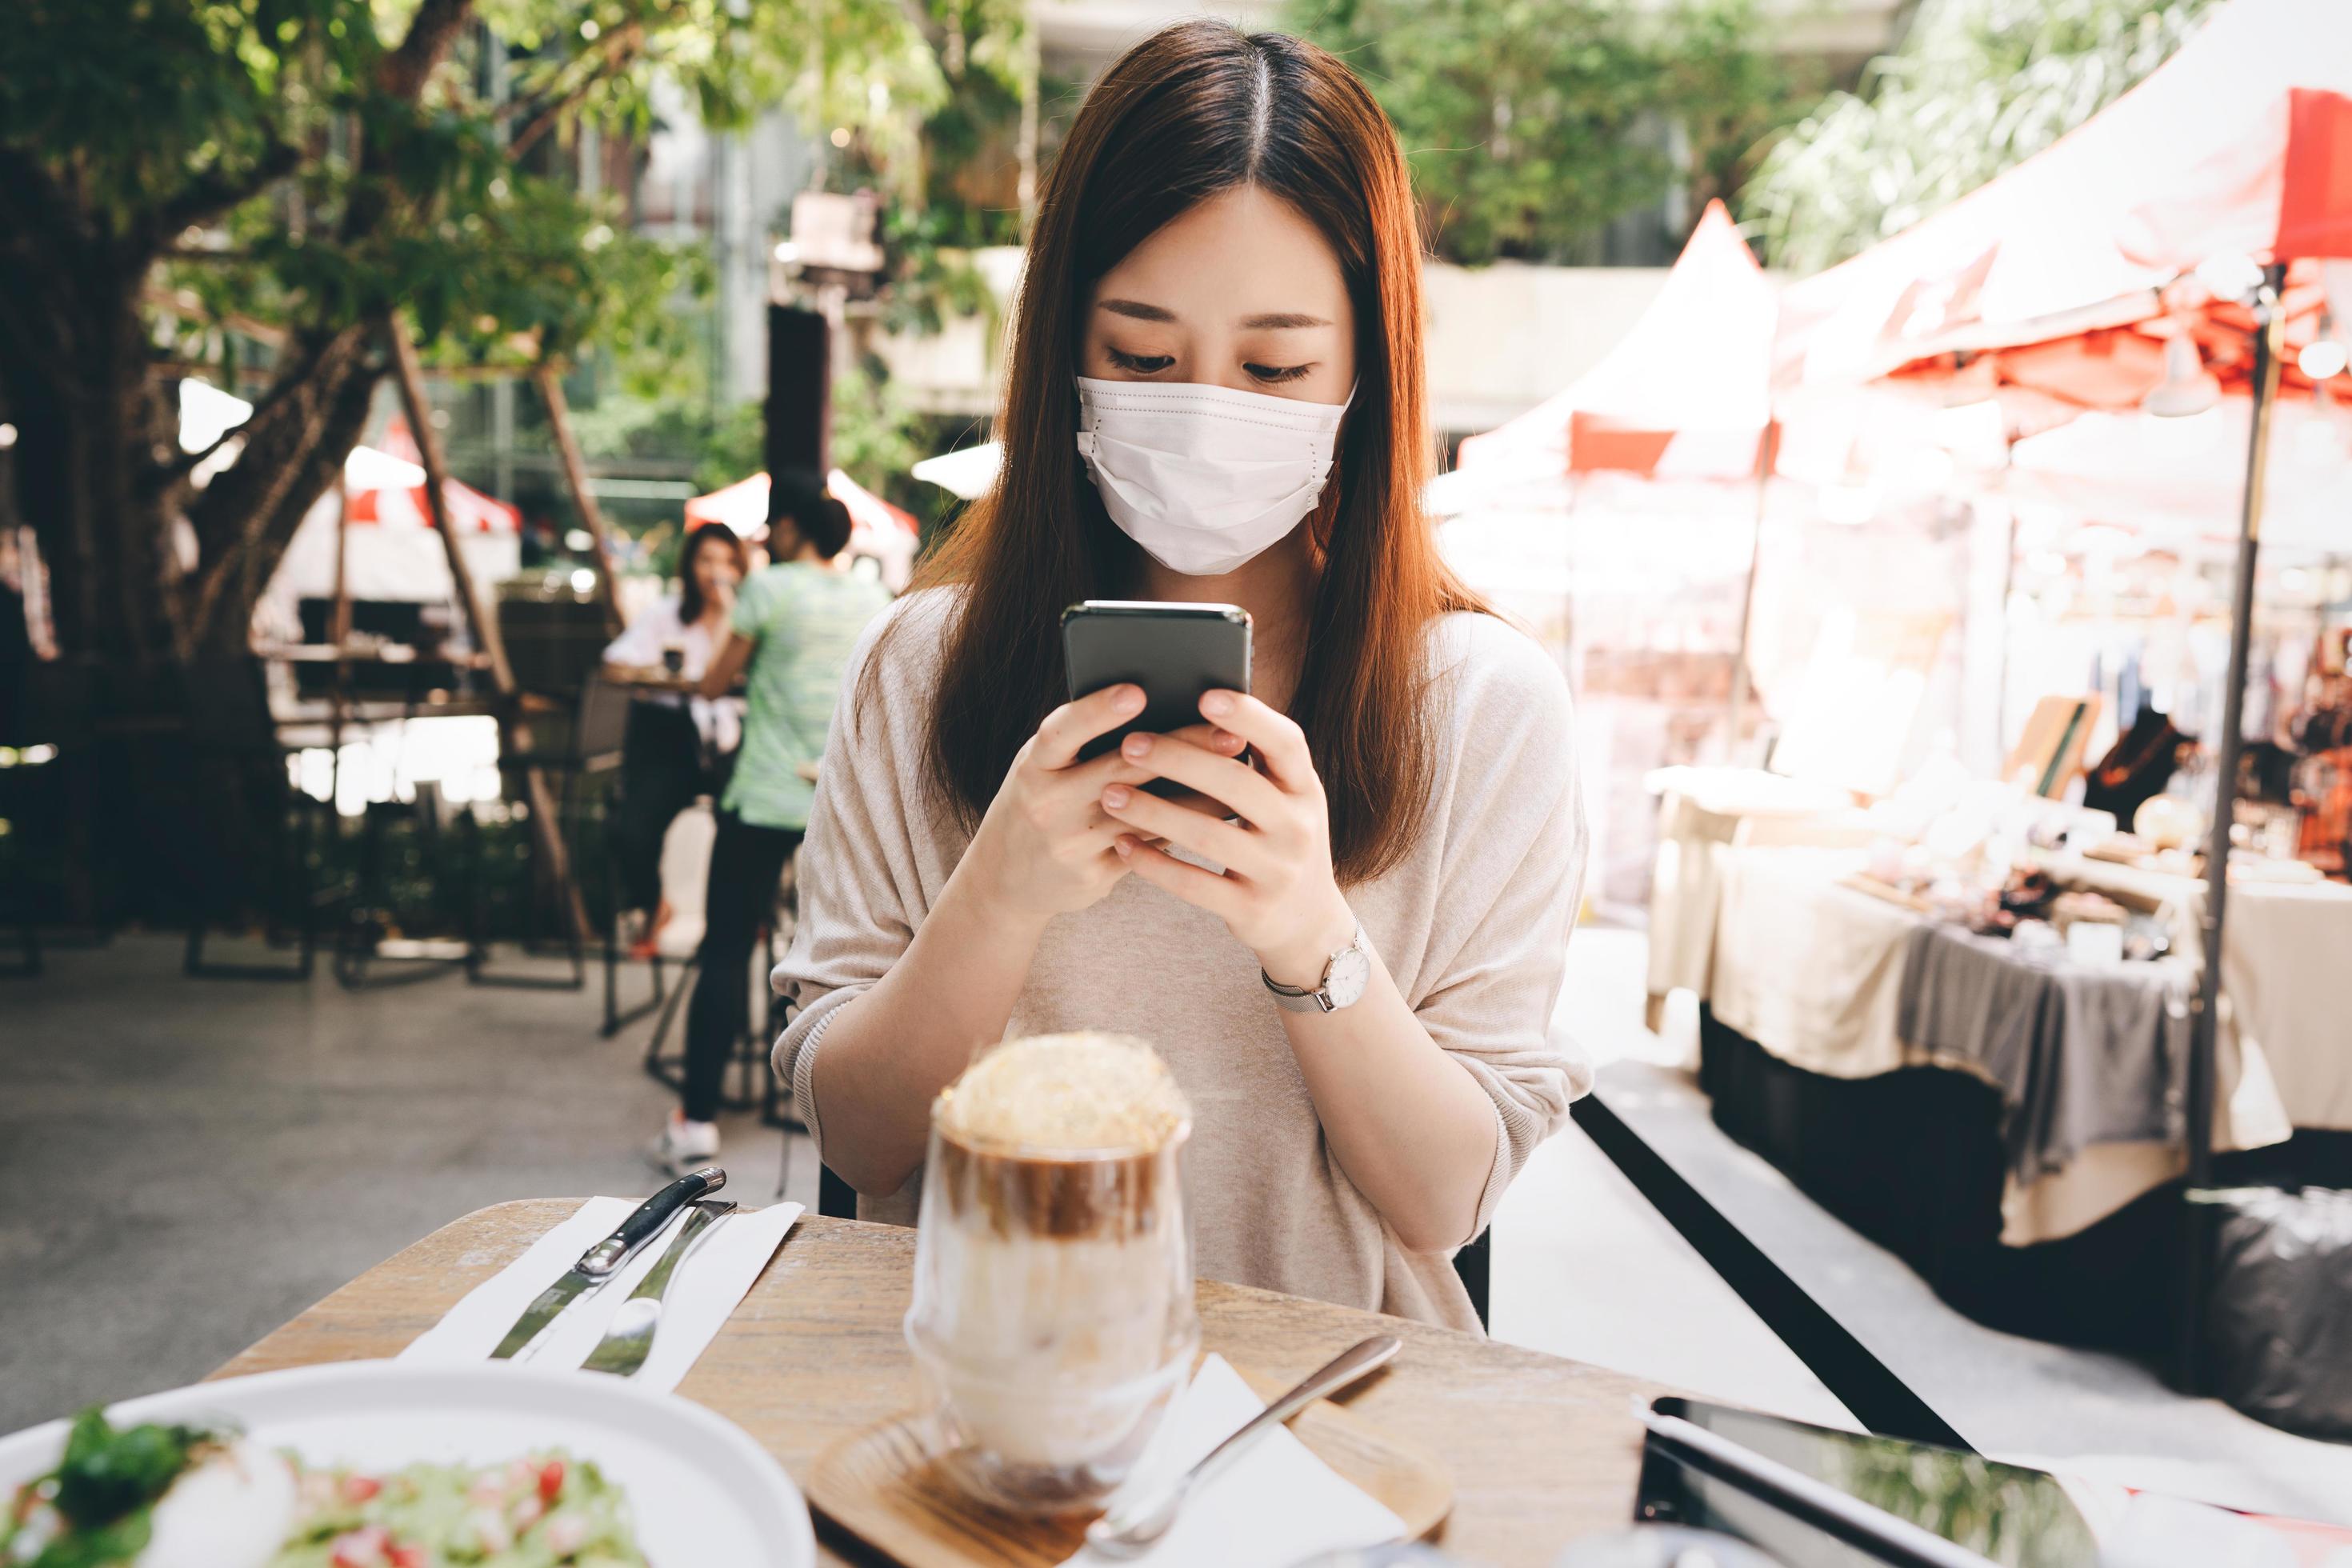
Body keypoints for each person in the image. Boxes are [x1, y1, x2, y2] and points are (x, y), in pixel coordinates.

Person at [772, 21, 1587, 1330]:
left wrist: (1308, 936)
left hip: (1338, 1446)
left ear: (1368, 372)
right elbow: (863, 1142)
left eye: (1275, 367)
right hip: (980, 1425)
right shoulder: (917, 665)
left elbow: (1446, 1201)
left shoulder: (1484, 706)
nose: (1208, 408)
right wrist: (999, 897)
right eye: (1143, 358)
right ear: (1061, 355)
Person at [650, 478, 892, 1171]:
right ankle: (845, 1117)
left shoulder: (770, 587)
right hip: (837, 802)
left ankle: (696, 1122)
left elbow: (711, 682)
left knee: (726, 949)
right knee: (848, 959)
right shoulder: (872, 597)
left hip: (762, 797)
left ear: (789, 531)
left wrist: (730, 604)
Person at [602, 521, 750, 955]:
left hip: (730, 744)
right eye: (706, 560)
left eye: (725, 561)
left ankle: (742, 919)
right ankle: (651, 904)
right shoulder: (666, 614)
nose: (715, 572)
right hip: (672, 744)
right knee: (632, 830)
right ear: (690, 566)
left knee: (746, 832)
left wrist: (728, 612)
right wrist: (657, 676)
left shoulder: (747, 618)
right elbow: (615, 666)